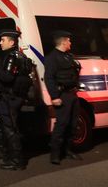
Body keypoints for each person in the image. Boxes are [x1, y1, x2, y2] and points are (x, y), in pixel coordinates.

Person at [44, 30, 82, 164]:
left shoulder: (69, 56)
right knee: (61, 124)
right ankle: (55, 154)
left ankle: (68, 150)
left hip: (72, 94)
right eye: (69, 40)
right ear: (64, 41)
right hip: (62, 95)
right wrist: (54, 96)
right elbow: (48, 79)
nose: (70, 43)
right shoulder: (52, 58)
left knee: (72, 124)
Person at [0, 29, 29, 170]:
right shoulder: (20, 55)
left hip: (10, 97)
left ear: (12, 42)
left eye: (3, 40)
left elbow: (7, 77)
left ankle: (16, 161)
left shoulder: (11, 57)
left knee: (10, 128)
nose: (0, 43)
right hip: (15, 96)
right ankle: (12, 156)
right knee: (12, 127)